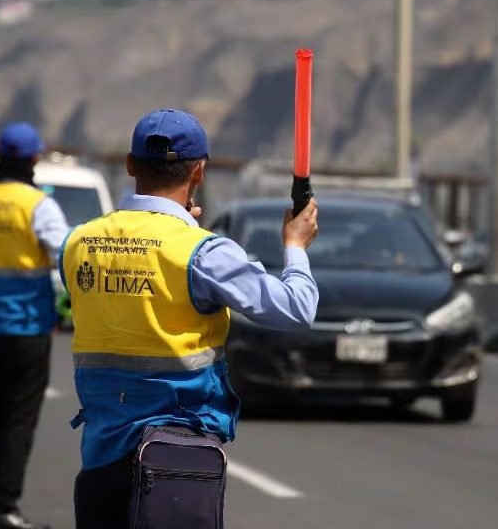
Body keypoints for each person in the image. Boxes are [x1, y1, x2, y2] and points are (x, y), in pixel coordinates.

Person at [63, 108, 320, 529]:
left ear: (130, 165)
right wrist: (295, 246)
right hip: (178, 458)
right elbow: (295, 308)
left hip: (100, 458)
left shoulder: (77, 242)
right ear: (199, 172)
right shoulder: (203, 252)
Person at [0, 123, 70, 529]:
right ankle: (3, 509)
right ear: (35, 159)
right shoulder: (38, 206)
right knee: (17, 420)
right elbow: (65, 256)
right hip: (25, 329)